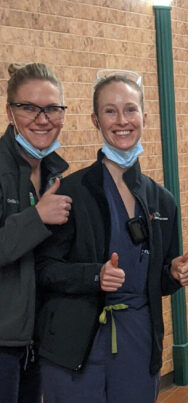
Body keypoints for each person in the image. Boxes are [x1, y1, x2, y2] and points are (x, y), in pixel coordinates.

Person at [34, 70, 188, 403]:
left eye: (130, 109)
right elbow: (43, 269)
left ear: (144, 117)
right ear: (96, 120)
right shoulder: (70, 193)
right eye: (110, 111)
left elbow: (160, 279)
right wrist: (95, 275)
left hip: (138, 341)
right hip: (76, 344)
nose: (122, 120)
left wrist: (175, 275)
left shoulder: (162, 201)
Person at [0, 63, 71, 403]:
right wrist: (37, 217)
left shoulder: (57, 174)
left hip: (38, 341)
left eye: (52, 108)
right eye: (29, 107)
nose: (42, 119)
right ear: (9, 111)